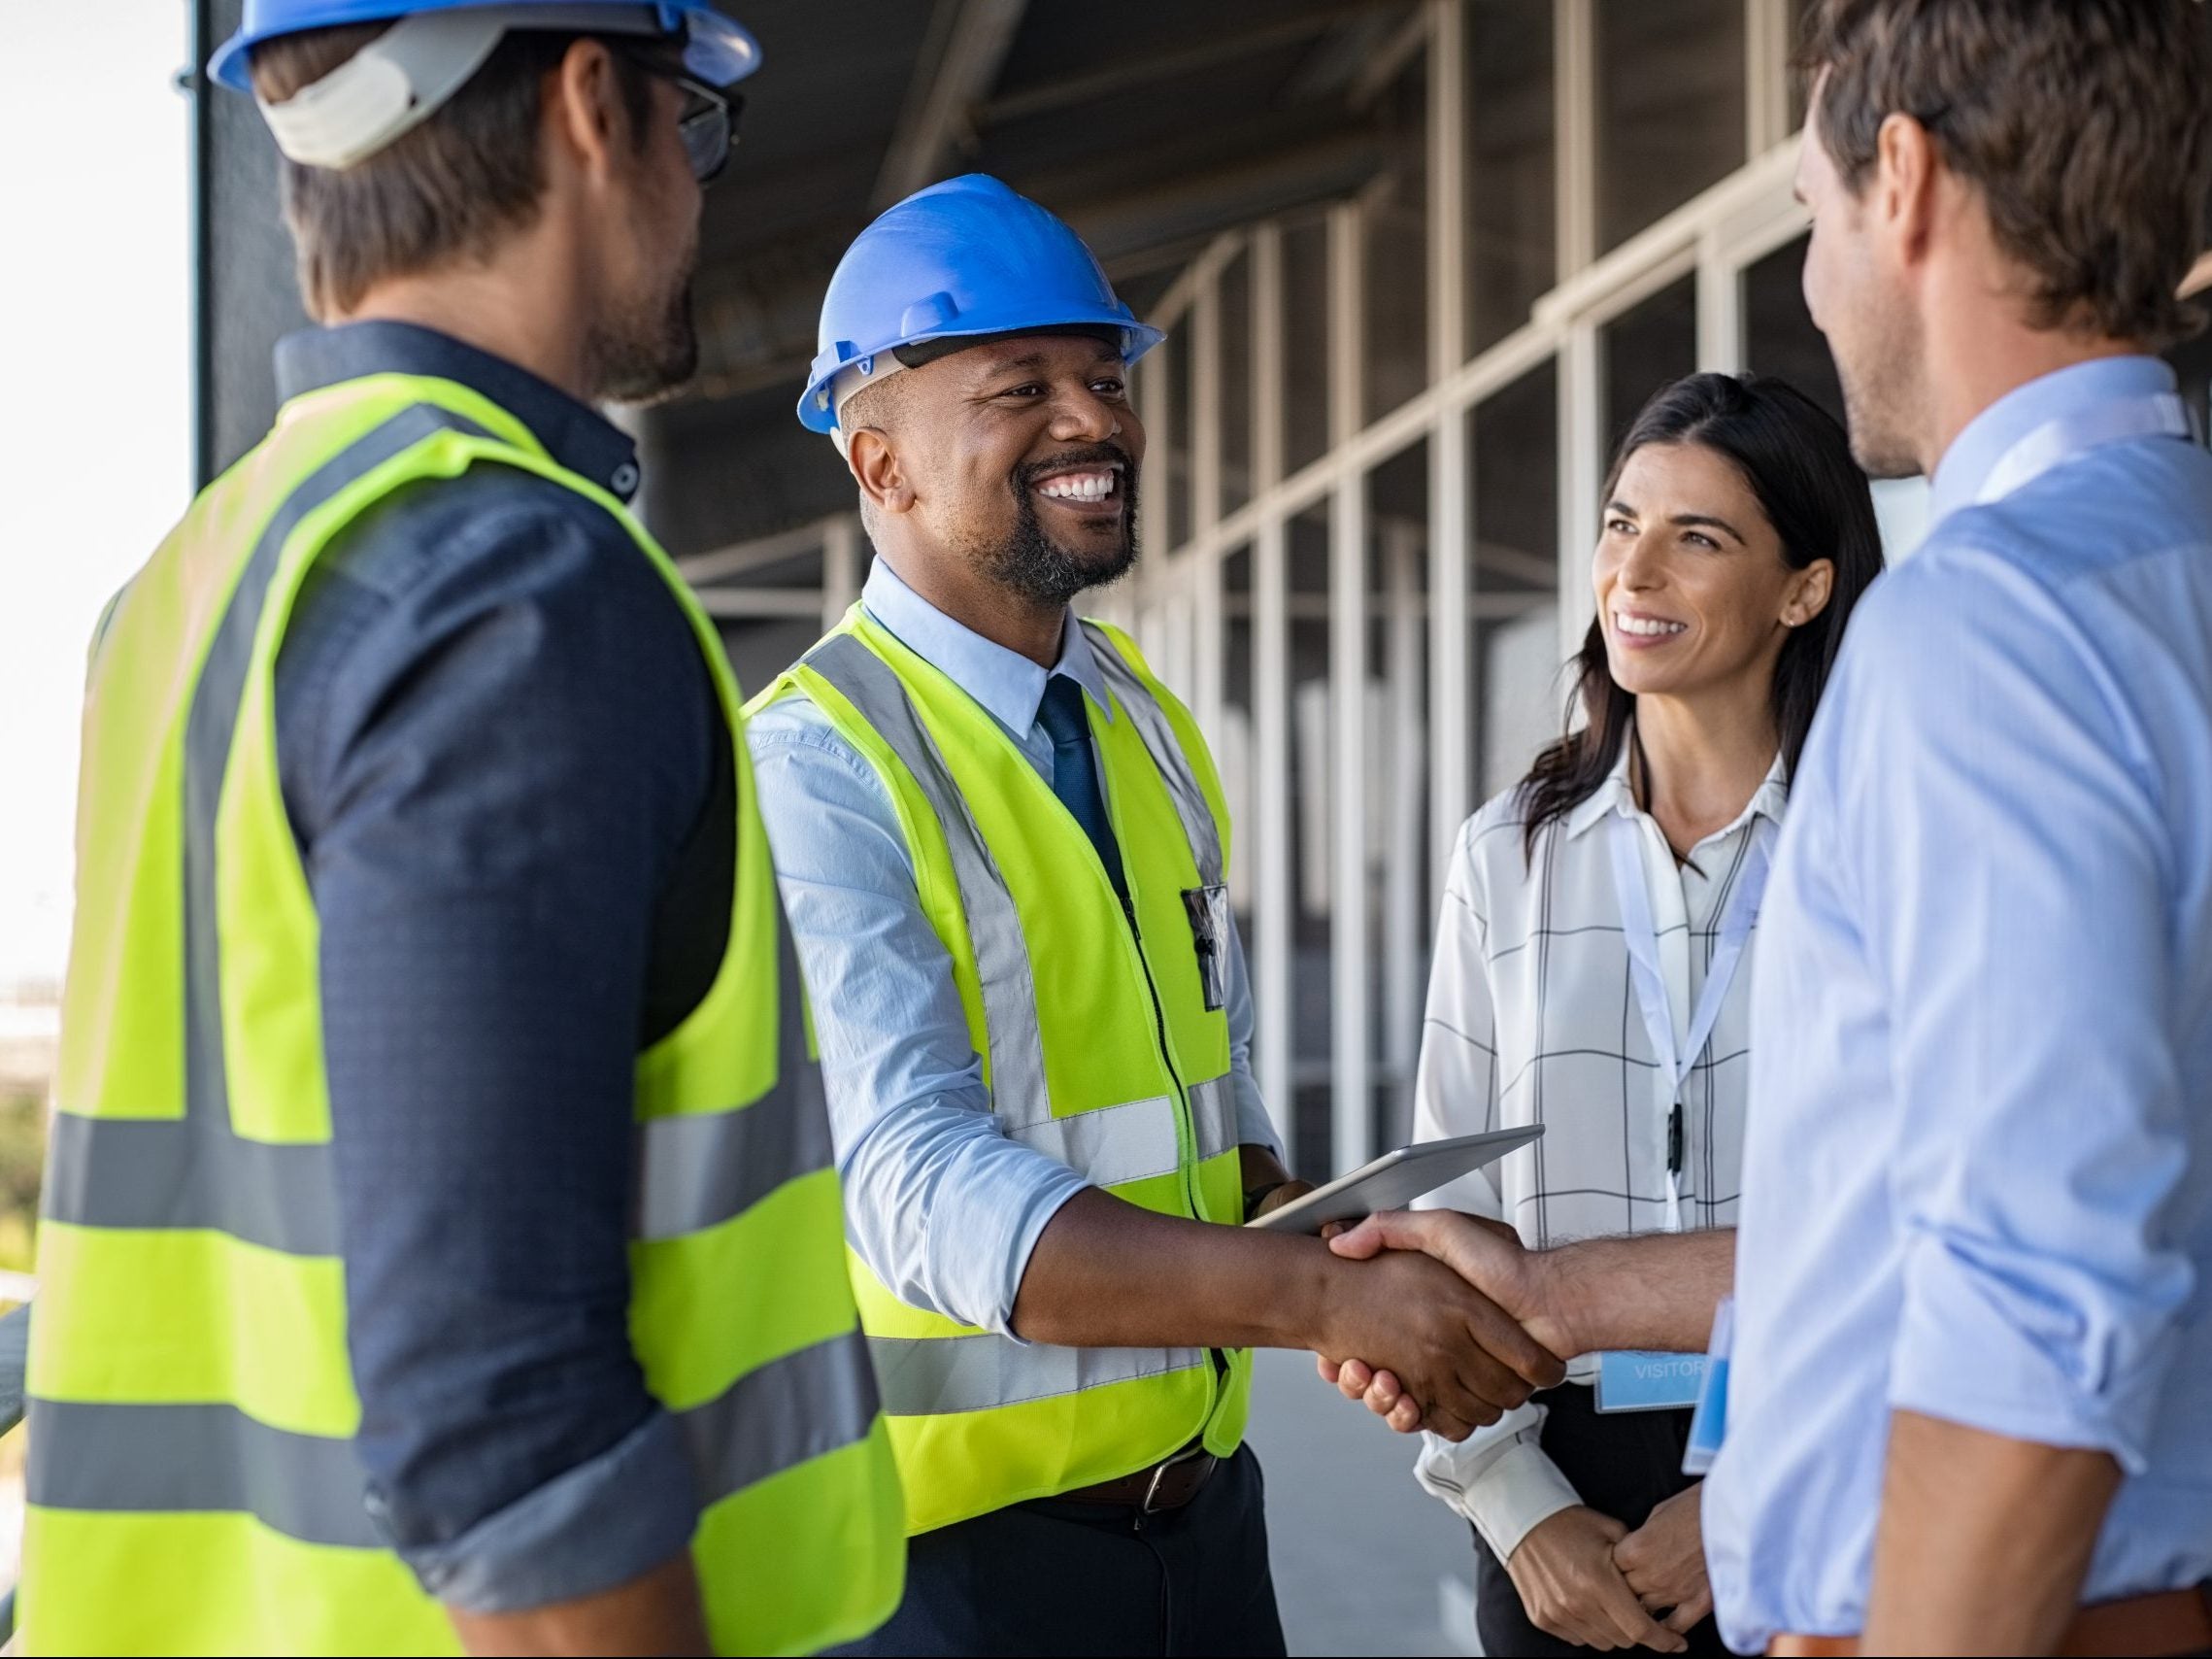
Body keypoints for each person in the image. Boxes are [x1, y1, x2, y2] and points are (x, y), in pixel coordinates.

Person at [1325, 2, 2212, 1653]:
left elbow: (2029, 1287)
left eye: (1808, 214)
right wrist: (1554, 1303)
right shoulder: (2164, 568)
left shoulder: (1986, 628)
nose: (1812, 273)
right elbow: (1905, 1209)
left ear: (1907, 177)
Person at [18, 5, 905, 1653]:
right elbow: (504, 1430)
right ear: (589, 103)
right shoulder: (509, 586)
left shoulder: (194, 578)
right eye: (689, 129)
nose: (698, 199)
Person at [746, 173, 1564, 1659]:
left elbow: (1207, 1084)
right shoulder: (815, 767)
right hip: (945, 1581)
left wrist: (1323, 1236)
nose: (1093, 421)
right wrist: (1314, 1303)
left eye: (1103, 377)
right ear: (880, 461)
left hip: (1202, 1528)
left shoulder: (1134, 716)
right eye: (1019, 388)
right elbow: (919, 1190)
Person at [1399, 373, 1880, 1658]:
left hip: (1823, 1460)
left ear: (1804, 589)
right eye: (1620, 525)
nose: (1634, 571)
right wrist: (1514, 1505)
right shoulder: (1507, 851)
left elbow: (1915, 1209)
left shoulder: (1878, 847)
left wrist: (1755, 1493)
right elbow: (1450, 1209)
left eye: (1695, 538)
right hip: (1557, 1477)